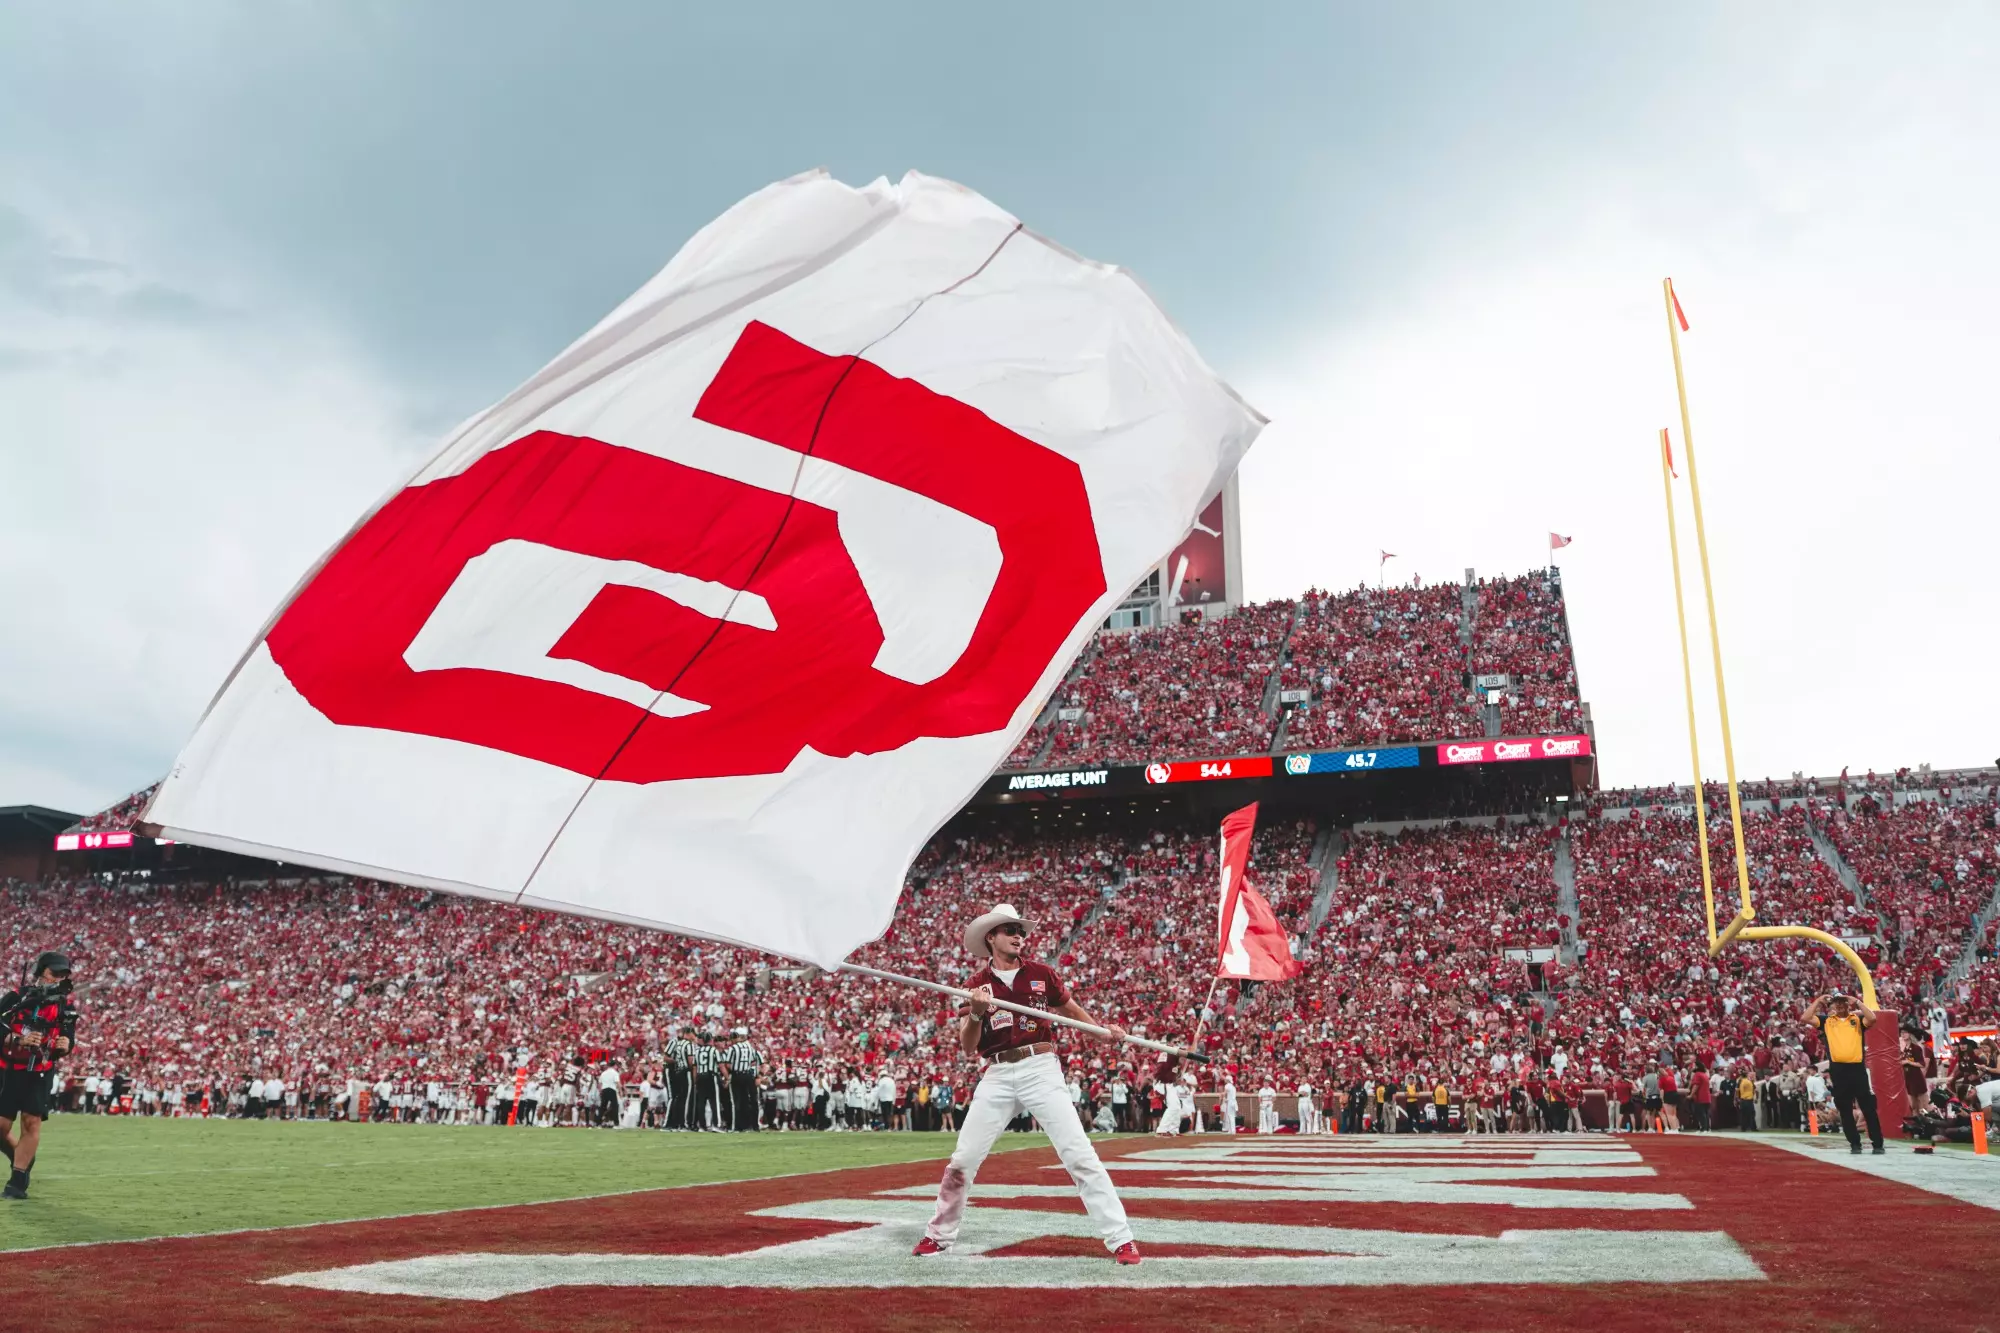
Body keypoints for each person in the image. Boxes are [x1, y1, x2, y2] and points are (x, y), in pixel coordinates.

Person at [914, 903, 1139, 1264]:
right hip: (998, 1072)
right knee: (962, 1160)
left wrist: (1102, 1032)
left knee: (1079, 1155)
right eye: (1011, 930)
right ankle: (938, 1235)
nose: (1019, 936)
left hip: (1040, 1067)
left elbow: (1070, 1010)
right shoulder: (975, 985)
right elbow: (969, 1046)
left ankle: (1121, 1239)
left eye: (1021, 930)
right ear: (992, 937)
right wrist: (975, 1012)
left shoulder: (1041, 974)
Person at [1, 952, 79, 1200]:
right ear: (41, 972)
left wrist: (66, 1045)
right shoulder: (16, 998)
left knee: (31, 1122)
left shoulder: (66, 1007)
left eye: (64, 975)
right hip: (8, 1069)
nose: (59, 979)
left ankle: (18, 1181)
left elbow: (68, 1039)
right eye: (55, 973)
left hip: (40, 1071)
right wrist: (17, 1039)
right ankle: (18, 1156)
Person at [1806, 992, 1884, 1154]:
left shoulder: (1856, 1019)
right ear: (1832, 1005)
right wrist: (1818, 1000)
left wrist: (1858, 1002)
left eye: (1843, 1002)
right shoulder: (1827, 1021)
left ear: (1848, 1004)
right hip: (1839, 1070)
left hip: (1857, 1068)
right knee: (1845, 1109)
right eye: (1837, 1003)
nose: (1840, 1005)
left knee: (1868, 1108)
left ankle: (1878, 1143)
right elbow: (1805, 1018)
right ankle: (1854, 1143)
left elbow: (1873, 1019)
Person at [722, 1030, 760, 1131]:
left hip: (737, 1075)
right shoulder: (749, 1047)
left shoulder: (733, 1048)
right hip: (748, 1075)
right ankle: (748, 1125)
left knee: (735, 1102)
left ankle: (735, 1126)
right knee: (746, 1101)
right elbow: (753, 1062)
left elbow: (728, 1064)